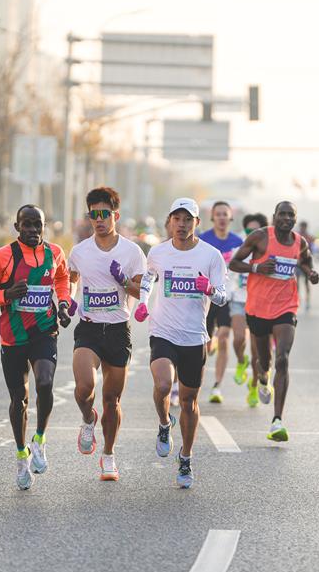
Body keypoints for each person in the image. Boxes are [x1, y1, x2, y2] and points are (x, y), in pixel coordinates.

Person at [134, 197, 228, 488]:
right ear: (170, 221)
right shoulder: (159, 252)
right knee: (162, 385)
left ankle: (185, 458)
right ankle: (164, 424)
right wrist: (142, 302)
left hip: (194, 337)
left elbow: (224, 297)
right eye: (177, 219)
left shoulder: (211, 256)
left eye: (188, 220)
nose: (182, 225)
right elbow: (148, 279)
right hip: (163, 331)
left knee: (188, 401)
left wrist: (210, 289)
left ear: (197, 223)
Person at [0, 205, 72, 490]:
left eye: (37, 225)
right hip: (13, 336)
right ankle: (22, 455)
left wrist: (64, 304)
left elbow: (62, 279)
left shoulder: (55, 253)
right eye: (26, 225)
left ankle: (40, 439)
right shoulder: (3, 257)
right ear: (17, 227)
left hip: (44, 331)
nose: (32, 230)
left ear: (45, 226)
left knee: (45, 383)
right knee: (19, 399)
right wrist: (6, 294)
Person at [68, 187, 146, 482]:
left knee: (112, 399)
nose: (98, 220)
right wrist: (70, 299)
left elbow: (141, 290)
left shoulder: (131, 252)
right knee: (84, 387)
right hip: (88, 327)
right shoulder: (80, 251)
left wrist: (123, 280)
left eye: (104, 214)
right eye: (93, 215)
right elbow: (71, 281)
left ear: (115, 215)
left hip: (117, 329)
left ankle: (109, 456)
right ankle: (88, 419)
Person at [229, 201, 319, 442]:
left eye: (291, 215)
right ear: (275, 216)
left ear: (295, 219)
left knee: (283, 358)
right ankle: (262, 377)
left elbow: (306, 260)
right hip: (258, 308)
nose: (287, 218)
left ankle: (277, 420)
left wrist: (310, 272)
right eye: (283, 214)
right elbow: (234, 263)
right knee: (264, 361)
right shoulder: (260, 238)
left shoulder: (299, 242)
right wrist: (257, 267)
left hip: (286, 307)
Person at [198, 201, 247, 404]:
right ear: (212, 217)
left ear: (230, 217)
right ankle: (212, 342)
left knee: (225, 335)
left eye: (224, 214)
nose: (221, 218)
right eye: (217, 214)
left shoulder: (238, 242)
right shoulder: (202, 240)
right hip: (206, 297)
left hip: (227, 296)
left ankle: (217, 386)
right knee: (206, 346)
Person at [239, 212, 268, 407]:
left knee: (262, 353)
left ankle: (257, 383)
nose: (252, 233)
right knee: (245, 343)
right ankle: (245, 367)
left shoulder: (270, 250)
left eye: (256, 230)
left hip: (267, 306)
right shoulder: (242, 247)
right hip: (243, 302)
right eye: (249, 230)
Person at [295, 221, 316, 310]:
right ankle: (298, 299)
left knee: (306, 283)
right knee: (297, 282)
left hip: (306, 263)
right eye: (302, 227)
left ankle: (307, 301)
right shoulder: (297, 237)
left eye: (304, 227)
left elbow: (311, 250)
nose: (303, 228)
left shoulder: (309, 237)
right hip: (298, 262)